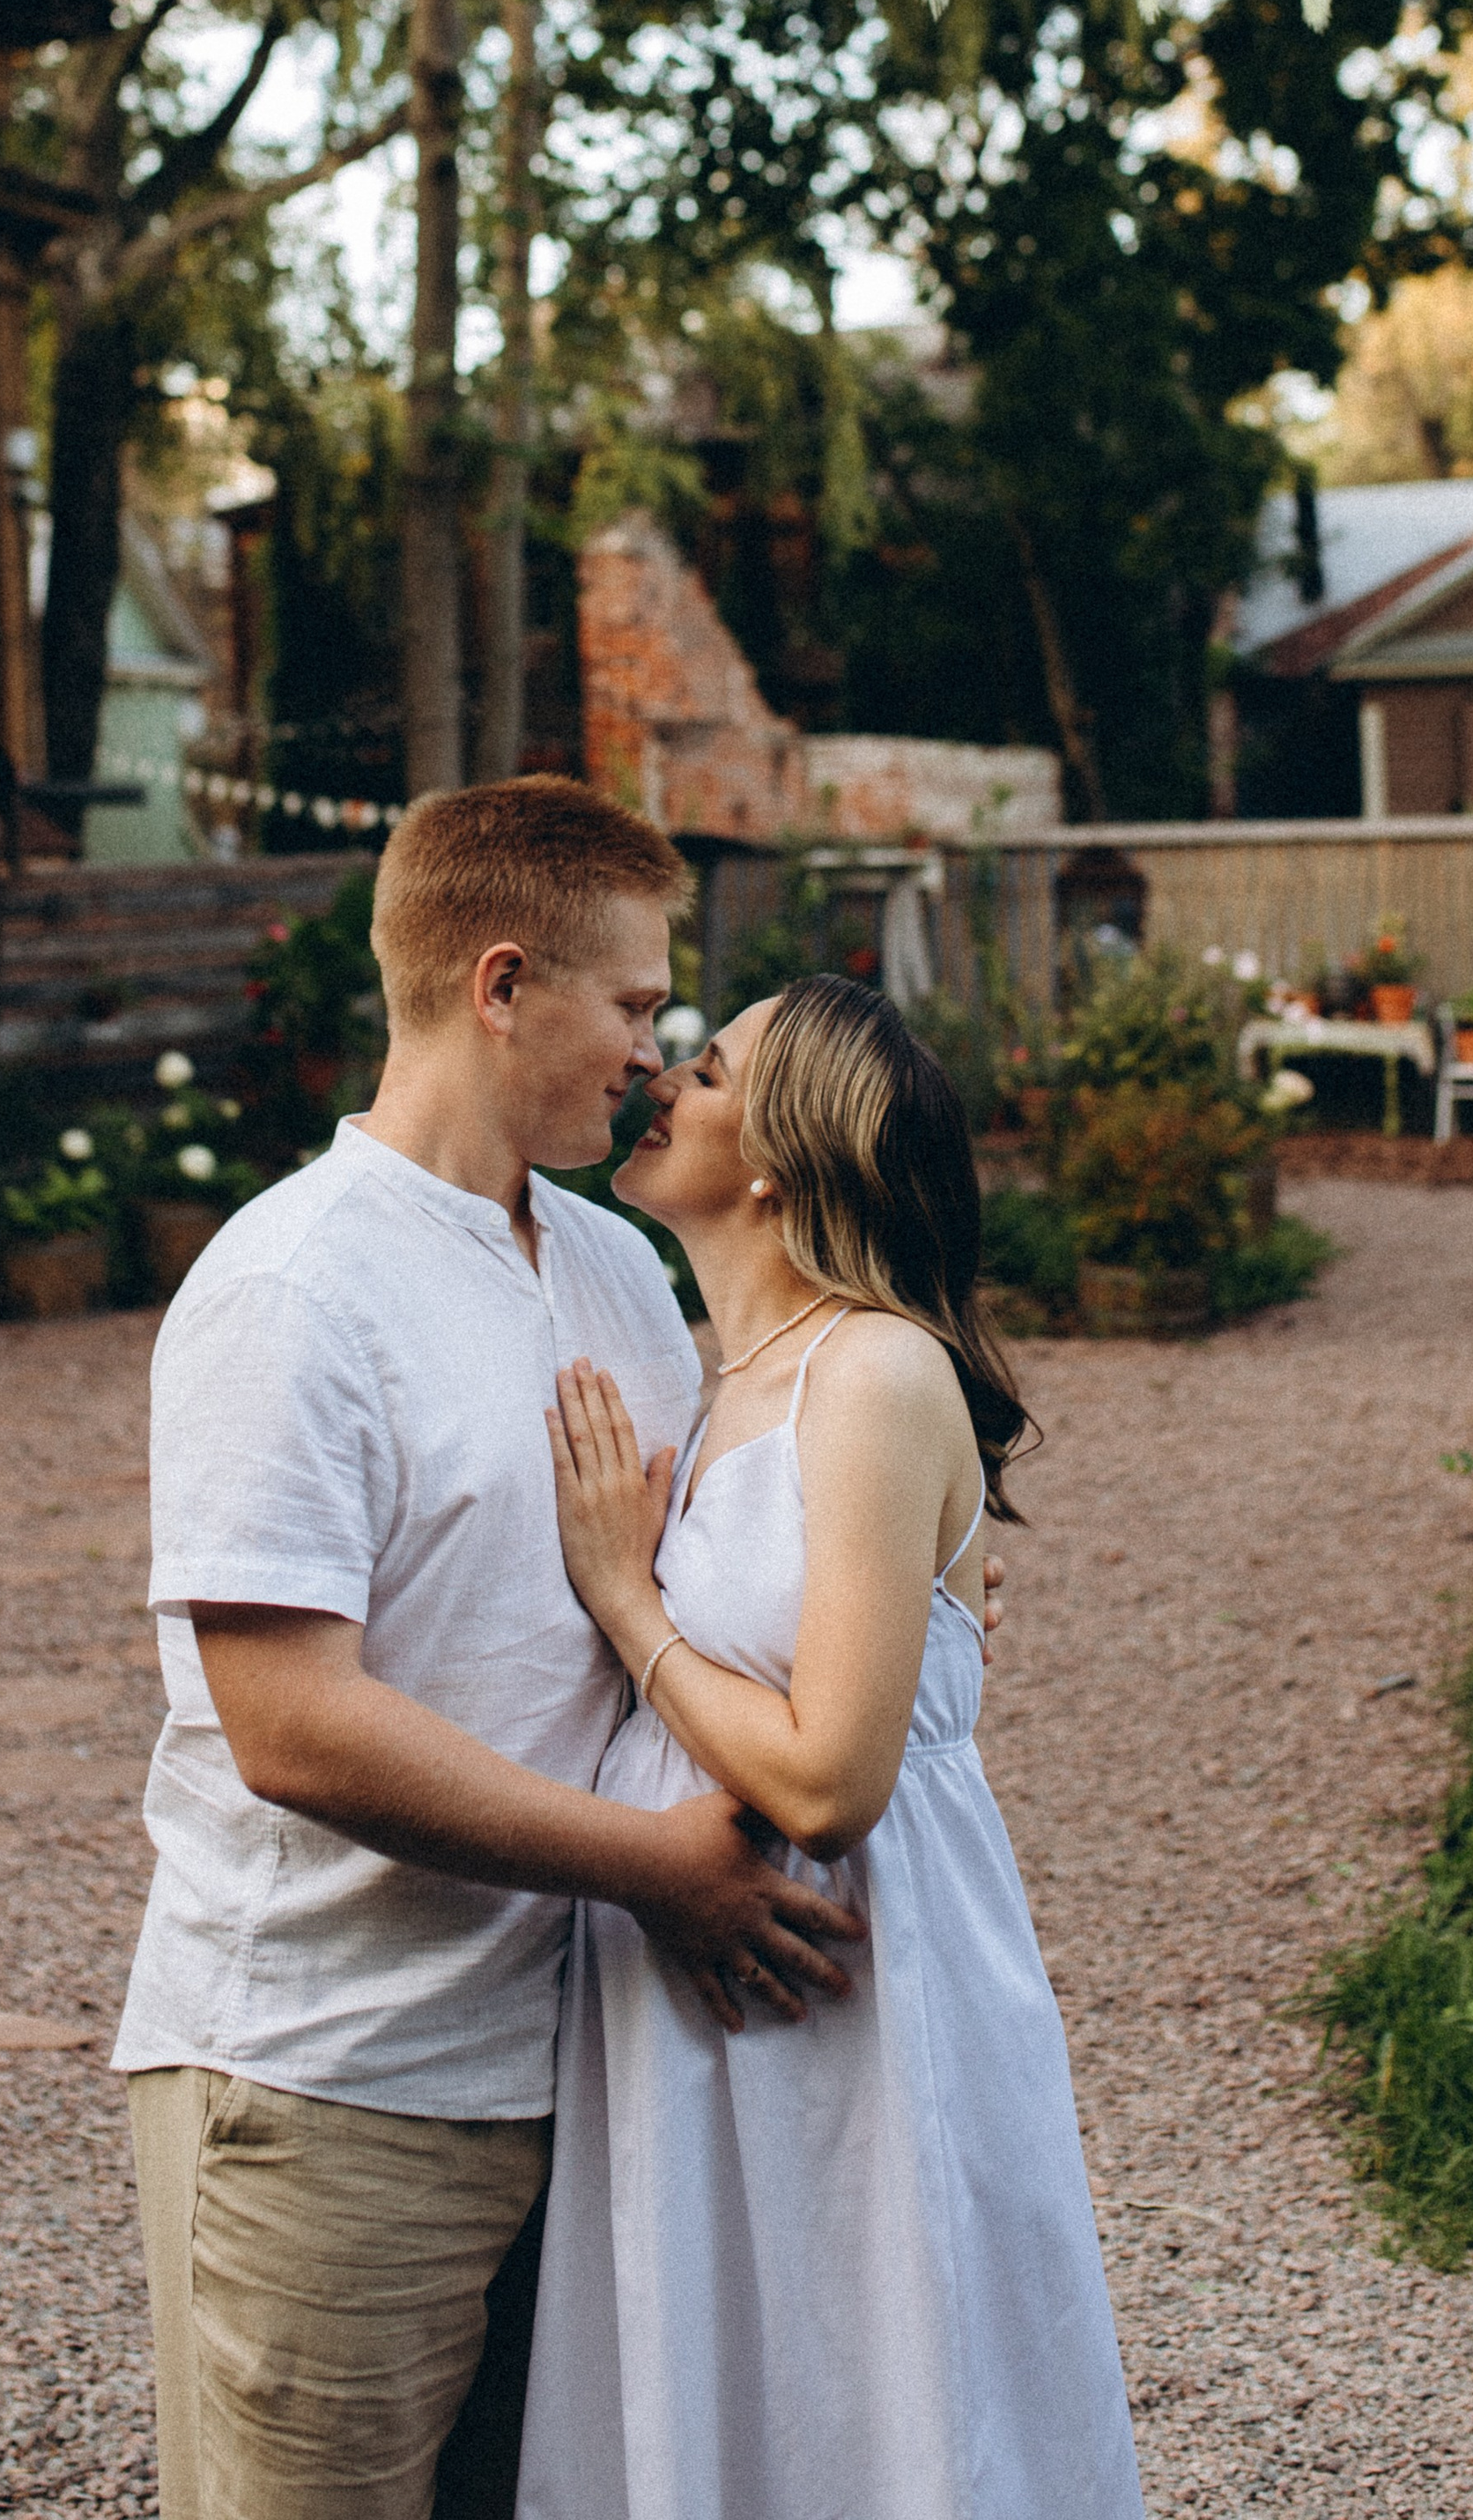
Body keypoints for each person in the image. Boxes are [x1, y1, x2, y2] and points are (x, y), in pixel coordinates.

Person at [113, 777, 983, 2520]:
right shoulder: (290, 1289)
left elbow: (754, 1585)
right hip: (337, 2088)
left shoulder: (614, 1269)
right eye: (636, 1007)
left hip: (601, 2089)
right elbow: (289, 1726)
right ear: (500, 985)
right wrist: (662, 1870)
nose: (654, 1060)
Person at [520, 975, 1145, 2520]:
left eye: (712, 1065)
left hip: (850, 1977)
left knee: (879, 2397)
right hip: (694, 1985)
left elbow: (827, 1779)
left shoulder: (872, 1372)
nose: (663, 1073)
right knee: (725, 2393)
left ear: (782, 1157)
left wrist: (624, 1598)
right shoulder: (703, 1365)